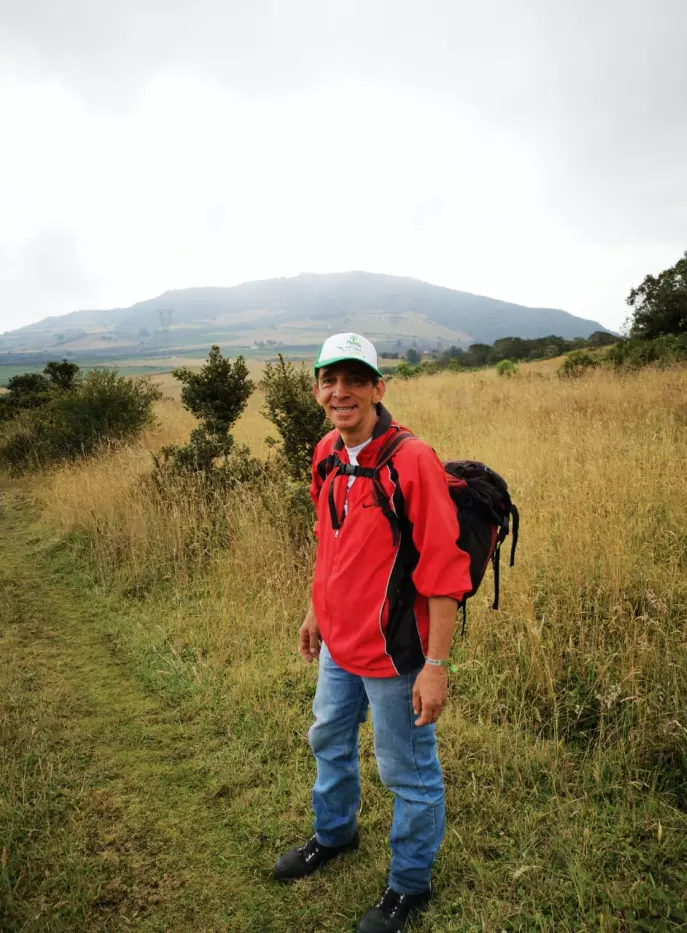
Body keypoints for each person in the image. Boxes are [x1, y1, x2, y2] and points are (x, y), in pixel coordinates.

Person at [274, 333, 471, 933]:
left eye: (355, 380)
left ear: (378, 388)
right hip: (338, 643)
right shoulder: (326, 452)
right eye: (331, 380)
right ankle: (334, 835)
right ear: (317, 390)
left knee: (407, 773)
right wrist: (316, 611)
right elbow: (329, 542)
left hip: (395, 654)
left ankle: (408, 885)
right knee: (328, 740)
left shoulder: (413, 461)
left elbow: (443, 571)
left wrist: (436, 666)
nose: (342, 392)